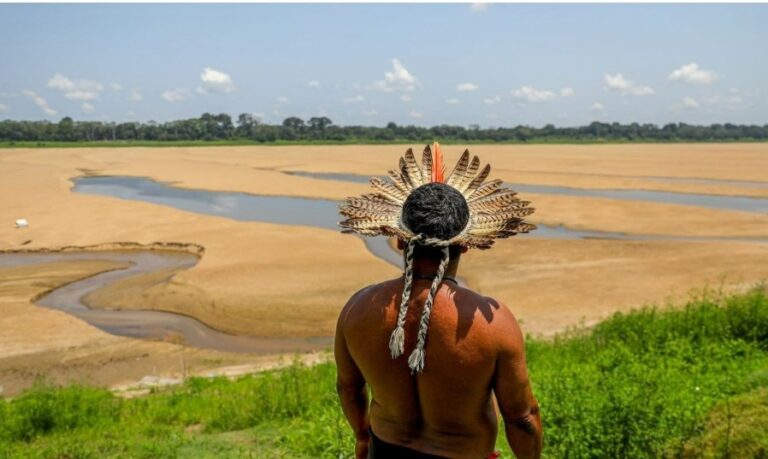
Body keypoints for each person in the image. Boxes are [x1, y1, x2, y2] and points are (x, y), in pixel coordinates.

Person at [335, 144, 542, 458]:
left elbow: (348, 388)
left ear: (400, 240)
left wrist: (363, 437)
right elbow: (522, 417)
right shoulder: (494, 324)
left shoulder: (358, 308)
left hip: (386, 450)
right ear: (467, 244)